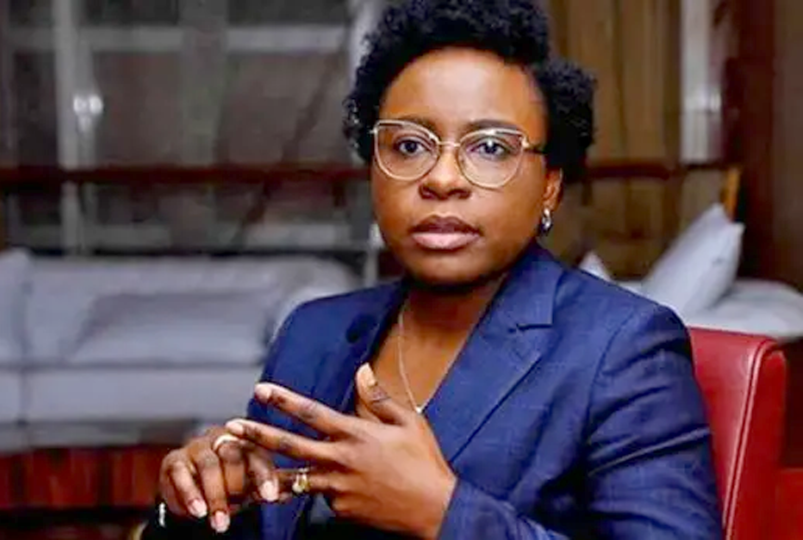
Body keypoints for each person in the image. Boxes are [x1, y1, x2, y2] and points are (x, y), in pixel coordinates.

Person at [142, 0, 723, 538]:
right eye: (409, 146)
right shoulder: (314, 334)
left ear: (550, 184)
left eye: (490, 147)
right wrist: (193, 501)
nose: (441, 179)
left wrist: (443, 512)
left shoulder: (621, 349)